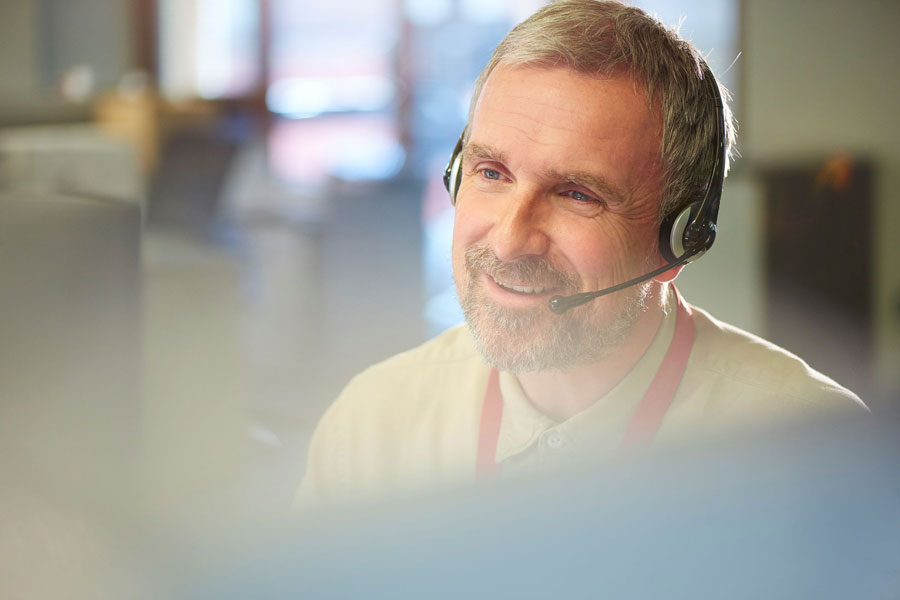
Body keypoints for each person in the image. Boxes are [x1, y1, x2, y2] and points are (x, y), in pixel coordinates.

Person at [297, 0, 865, 507]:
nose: (509, 239)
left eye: (577, 194)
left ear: (682, 237)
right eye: (491, 172)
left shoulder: (821, 455)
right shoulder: (370, 431)